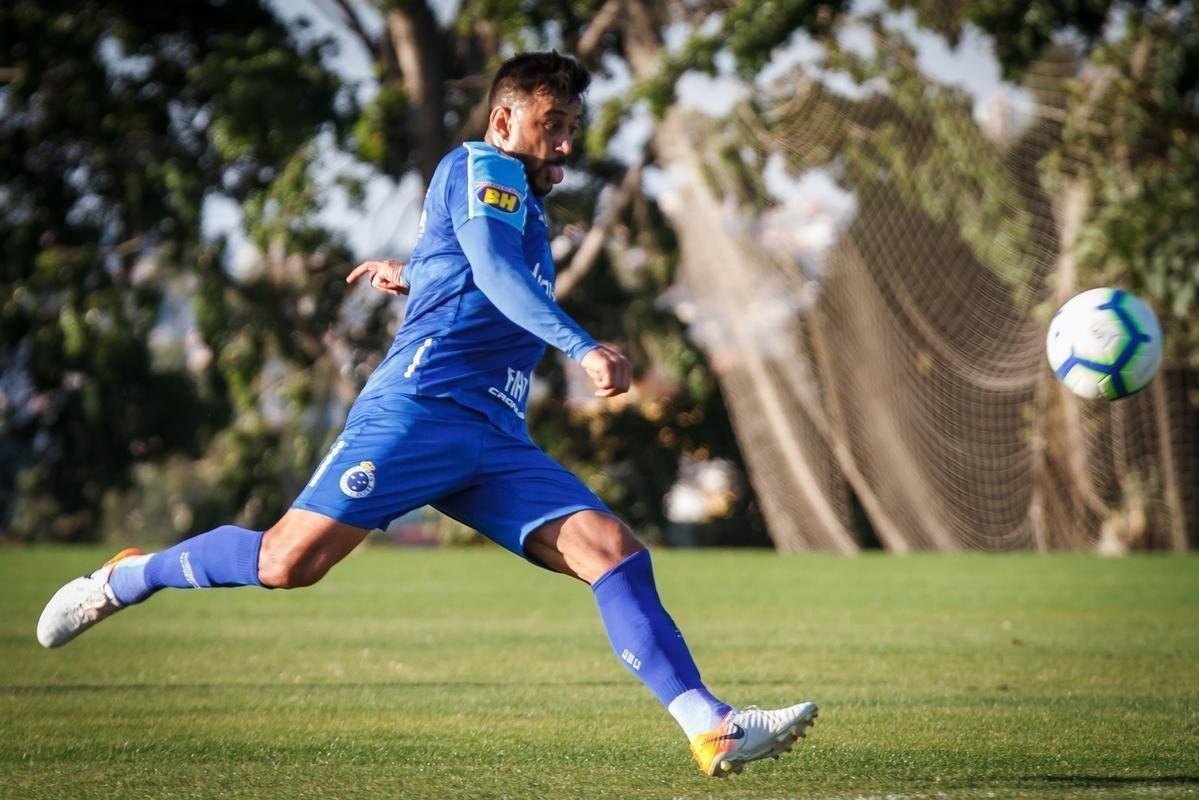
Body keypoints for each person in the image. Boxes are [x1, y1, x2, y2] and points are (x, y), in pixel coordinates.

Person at [36, 50, 816, 778]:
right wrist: (582, 347)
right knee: (286, 564)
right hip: (419, 412)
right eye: (553, 127)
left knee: (610, 550)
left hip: (491, 434)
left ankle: (708, 725)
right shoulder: (482, 165)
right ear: (504, 120)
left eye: (573, 131)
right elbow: (497, 274)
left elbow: (475, 272)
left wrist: (418, 275)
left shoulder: (514, 201)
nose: (566, 147)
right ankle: (128, 577)